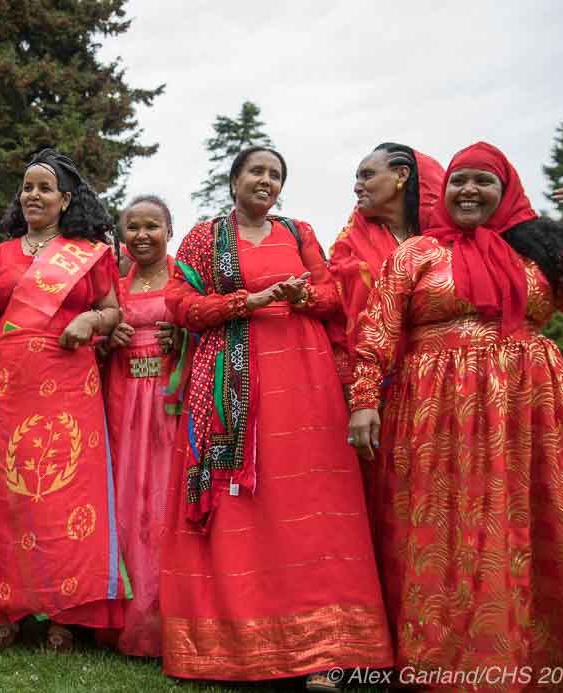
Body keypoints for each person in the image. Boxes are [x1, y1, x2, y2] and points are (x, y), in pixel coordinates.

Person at [348, 142, 563, 684]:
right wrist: (364, 399)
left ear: (506, 192)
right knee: (440, 525)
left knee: (524, 518)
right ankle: (438, 657)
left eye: (484, 181)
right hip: (435, 409)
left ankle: (535, 653)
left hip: (526, 409)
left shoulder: (537, 254)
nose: (469, 190)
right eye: (459, 180)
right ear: (444, 191)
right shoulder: (416, 254)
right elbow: (379, 327)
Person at [160, 146, 393, 688]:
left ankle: (327, 652)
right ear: (235, 179)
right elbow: (181, 304)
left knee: (313, 505)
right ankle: (235, 647)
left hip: (306, 386)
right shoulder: (204, 237)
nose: (266, 181)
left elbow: (333, 295)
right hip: (231, 391)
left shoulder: (298, 232)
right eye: (257, 171)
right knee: (241, 510)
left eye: (275, 174)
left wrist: (301, 295)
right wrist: (248, 300)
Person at [0, 148, 125, 653]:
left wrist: (90, 320)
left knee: (63, 493)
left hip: (68, 380)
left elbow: (112, 311)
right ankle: (6, 607)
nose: (32, 195)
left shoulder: (90, 253)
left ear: (66, 199)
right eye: (27, 187)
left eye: (44, 188)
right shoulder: (1, 255)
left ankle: (65, 613)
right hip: (7, 384)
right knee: (6, 494)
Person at [97, 195, 182, 657]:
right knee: (126, 500)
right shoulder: (114, 286)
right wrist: (110, 338)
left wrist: (183, 336)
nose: (142, 235)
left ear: (170, 230)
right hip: (124, 402)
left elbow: (209, 331)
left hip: (171, 402)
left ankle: (171, 619)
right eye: (132, 227)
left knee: (167, 502)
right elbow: (93, 340)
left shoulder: (187, 280)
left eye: (152, 226)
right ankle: (125, 619)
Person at [327, 143, 444, 384]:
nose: (357, 187)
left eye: (367, 175)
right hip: (371, 383)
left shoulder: (441, 243)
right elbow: (336, 315)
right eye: (357, 178)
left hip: (436, 378)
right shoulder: (350, 243)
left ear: (401, 174)